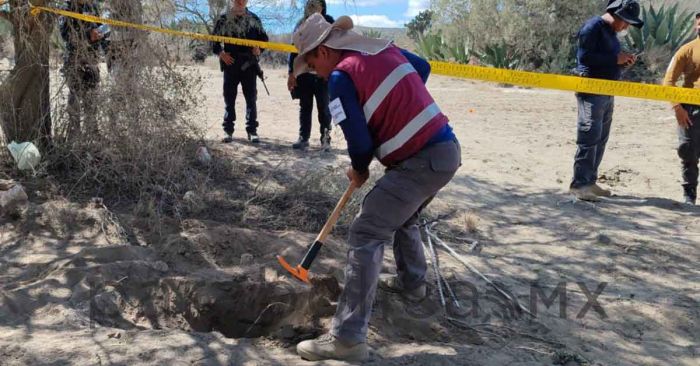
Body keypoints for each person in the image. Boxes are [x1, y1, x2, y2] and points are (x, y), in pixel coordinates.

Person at [290, 14, 460, 362]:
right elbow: (422, 68)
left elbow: (360, 144)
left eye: (310, 64)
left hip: (421, 161)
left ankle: (348, 339)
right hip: (445, 152)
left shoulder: (340, 77)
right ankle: (413, 284)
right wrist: (396, 105)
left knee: (367, 230)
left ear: (322, 51)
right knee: (402, 214)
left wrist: (358, 169)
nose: (314, 73)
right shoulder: (381, 50)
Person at [569, 0, 644, 201]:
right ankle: (579, 185)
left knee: (600, 137)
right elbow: (585, 59)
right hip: (590, 90)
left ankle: (590, 181)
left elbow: (609, 60)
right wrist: (615, 59)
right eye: (626, 22)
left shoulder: (611, 34)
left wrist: (623, 62)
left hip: (607, 91)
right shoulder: (592, 27)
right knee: (589, 135)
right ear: (616, 14)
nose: (626, 27)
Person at [211, 0, 268, 143]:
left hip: (249, 65)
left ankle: (252, 131)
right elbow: (214, 42)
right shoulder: (223, 19)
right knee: (229, 98)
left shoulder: (254, 19)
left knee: (251, 99)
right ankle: (228, 130)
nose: (240, 1)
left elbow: (264, 40)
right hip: (230, 64)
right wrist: (221, 54)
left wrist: (259, 49)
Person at [662, 12, 700, 205]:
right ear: (696, 26)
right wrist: (677, 108)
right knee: (688, 153)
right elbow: (668, 82)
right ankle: (689, 197)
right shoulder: (686, 50)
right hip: (691, 111)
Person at [287, 0, 334, 151]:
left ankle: (325, 139)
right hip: (304, 75)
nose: (313, 8)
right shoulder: (301, 24)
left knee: (324, 109)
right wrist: (291, 73)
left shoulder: (330, 22)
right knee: (305, 107)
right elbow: (293, 50)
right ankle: (303, 138)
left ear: (323, 7)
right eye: (310, 5)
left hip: (323, 76)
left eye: (317, 5)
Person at [60, 0, 106, 139]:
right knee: (75, 97)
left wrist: (101, 34)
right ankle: (74, 135)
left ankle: (92, 132)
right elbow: (65, 35)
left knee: (91, 97)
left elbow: (101, 27)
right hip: (74, 60)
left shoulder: (92, 6)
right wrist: (88, 36)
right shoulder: (66, 7)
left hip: (91, 59)